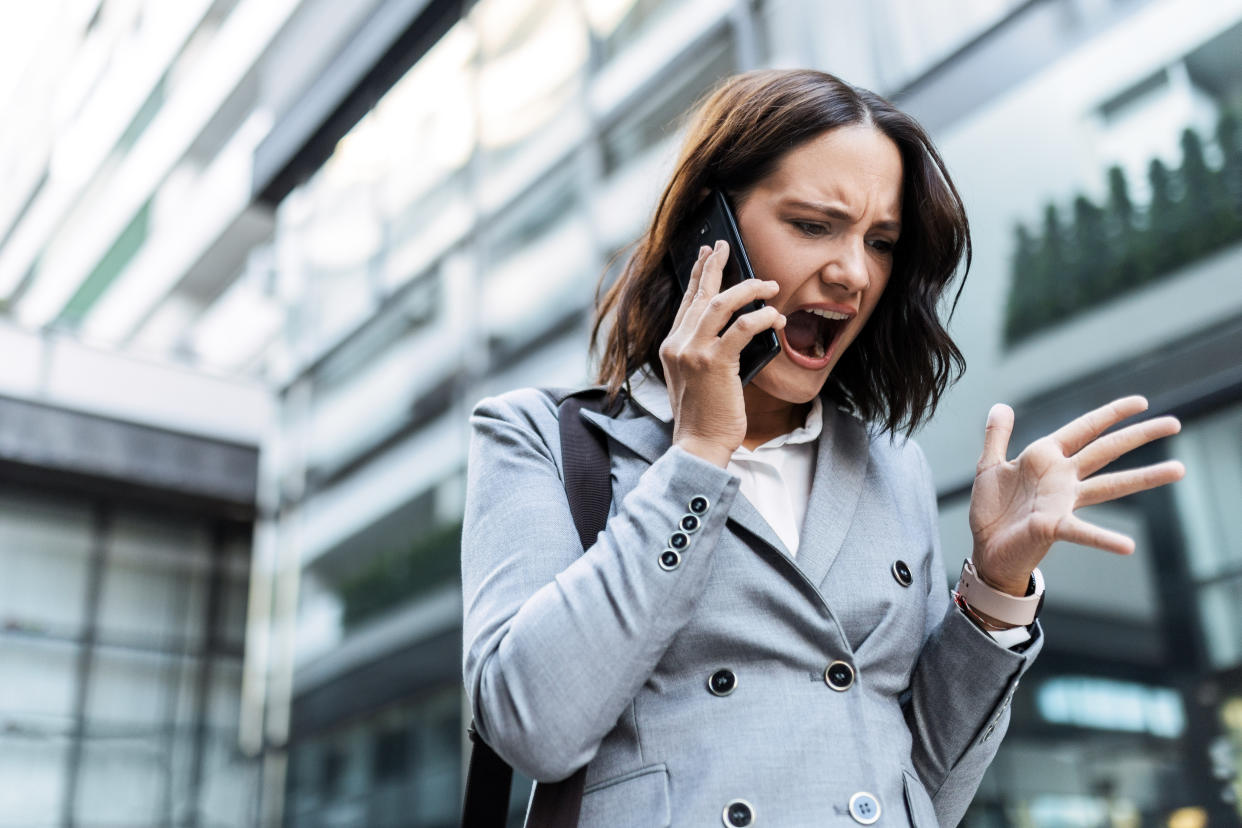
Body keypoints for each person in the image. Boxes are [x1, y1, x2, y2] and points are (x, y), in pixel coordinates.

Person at [460, 70, 1184, 827]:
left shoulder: (884, 462)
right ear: (708, 229)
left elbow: (923, 790)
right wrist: (701, 455)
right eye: (812, 224)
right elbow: (532, 725)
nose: (852, 273)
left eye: (880, 242)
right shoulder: (537, 437)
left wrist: (994, 592)